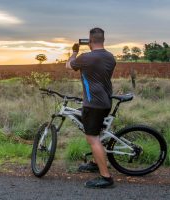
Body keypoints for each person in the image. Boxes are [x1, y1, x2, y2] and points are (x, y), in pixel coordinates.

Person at [66, 27, 116, 188]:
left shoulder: (85, 57)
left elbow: (69, 66)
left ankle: (106, 177)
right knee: (97, 133)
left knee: (92, 138)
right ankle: (95, 163)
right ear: (103, 40)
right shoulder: (110, 57)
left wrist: (74, 51)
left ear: (90, 40)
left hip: (93, 104)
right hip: (106, 101)